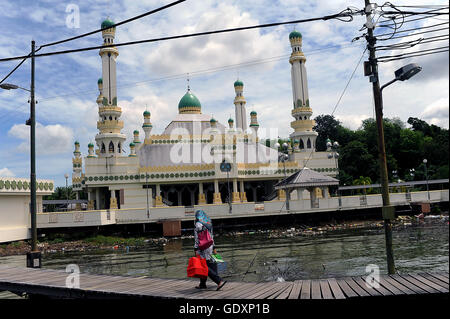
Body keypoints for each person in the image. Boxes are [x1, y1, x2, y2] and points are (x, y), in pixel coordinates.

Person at [193, 210, 227, 290]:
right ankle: (202, 284)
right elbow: (211, 237)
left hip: (202, 248)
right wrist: (214, 248)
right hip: (210, 247)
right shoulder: (208, 223)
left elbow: (197, 239)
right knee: (209, 264)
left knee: (203, 266)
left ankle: (218, 281)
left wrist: (195, 249)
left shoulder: (198, 224)